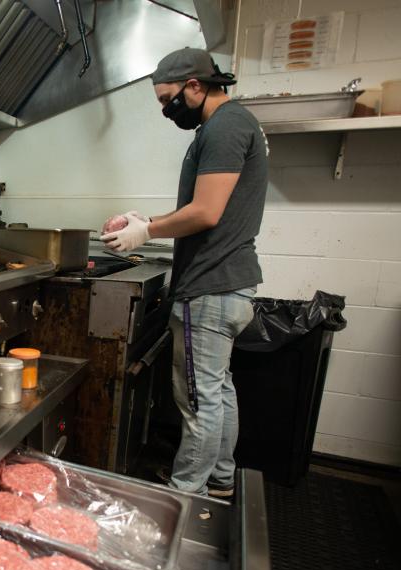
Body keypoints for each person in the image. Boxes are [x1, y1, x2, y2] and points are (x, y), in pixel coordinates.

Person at [100, 48, 268, 498]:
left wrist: (147, 231)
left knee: (198, 402)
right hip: (229, 285)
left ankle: (183, 497)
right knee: (217, 391)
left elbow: (207, 212)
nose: (165, 109)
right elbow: (203, 210)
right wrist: (145, 222)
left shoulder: (226, 126)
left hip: (211, 287)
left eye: (168, 98)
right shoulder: (230, 125)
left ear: (196, 85)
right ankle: (220, 481)